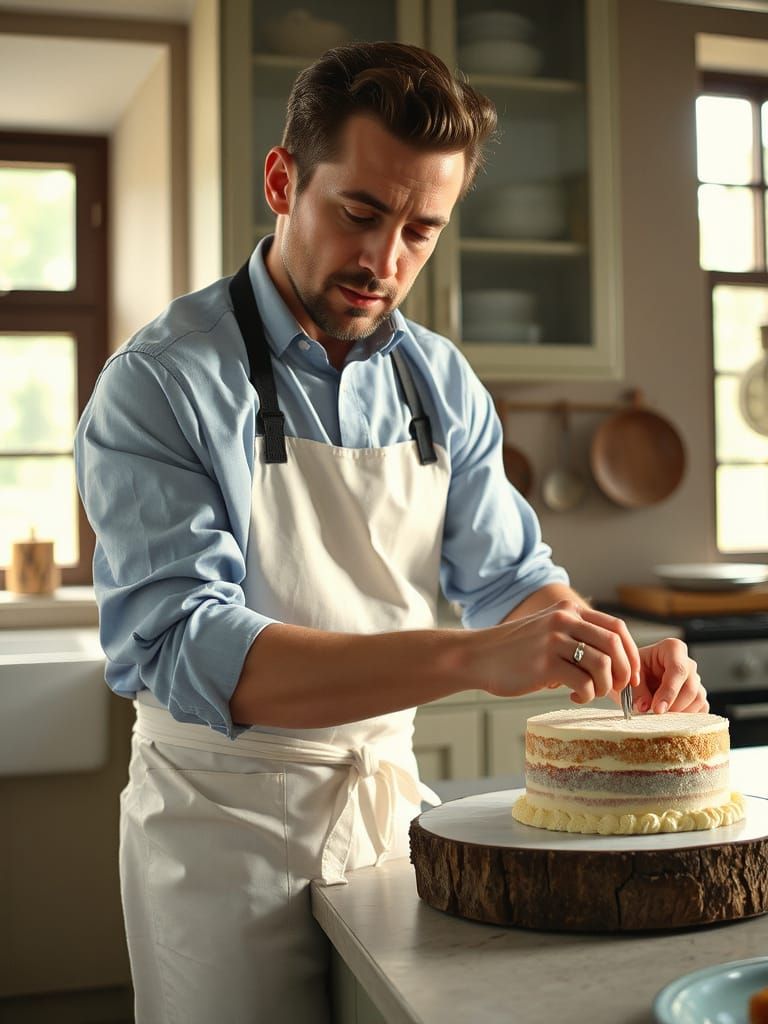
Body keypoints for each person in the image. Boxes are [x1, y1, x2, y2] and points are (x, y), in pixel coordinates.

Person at [74, 41, 707, 1024]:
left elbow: (510, 575)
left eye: (422, 230)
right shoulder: (160, 383)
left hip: (389, 818)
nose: (385, 261)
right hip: (221, 835)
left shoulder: (439, 380)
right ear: (284, 180)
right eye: (360, 213)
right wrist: (472, 656)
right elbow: (192, 647)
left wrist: (598, 641)